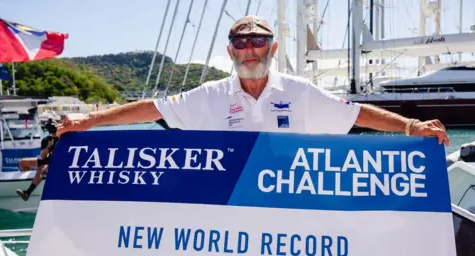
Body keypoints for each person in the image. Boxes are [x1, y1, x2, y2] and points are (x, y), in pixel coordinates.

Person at [56, 15, 449, 145]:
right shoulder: (208, 95)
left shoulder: (300, 91)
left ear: (271, 49)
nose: (249, 50)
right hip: (230, 213)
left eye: (258, 41)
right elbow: (150, 109)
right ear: (231, 52)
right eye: (241, 43)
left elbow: (356, 113)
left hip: (290, 212)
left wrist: (411, 126)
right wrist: (88, 121)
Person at [16, 119, 59, 201]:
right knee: (22, 163)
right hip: (45, 159)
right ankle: (32, 180)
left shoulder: (63, 138)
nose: (53, 133)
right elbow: (43, 156)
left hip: (55, 162)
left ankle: (28, 193)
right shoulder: (46, 140)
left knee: (41, 169)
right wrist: (48, 147)